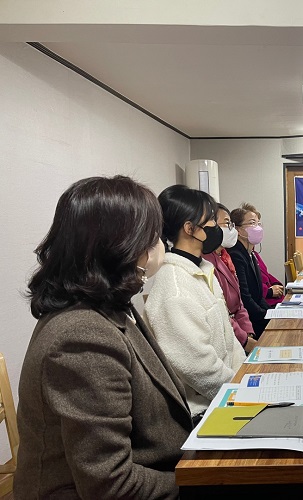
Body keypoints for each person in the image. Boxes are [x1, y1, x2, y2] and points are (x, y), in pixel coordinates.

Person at [16, 176, 192, 499]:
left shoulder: (112, 306)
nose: (160, 245)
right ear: (121, 246)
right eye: (151, 236)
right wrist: (200, 482)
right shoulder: (81, 337)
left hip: (160, 467)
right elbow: (110, 485)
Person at [144, 185, 246, 422]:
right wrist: (239, 390)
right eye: (211, 220)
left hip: (228, 392)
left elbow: (229, 339)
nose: (216, 227)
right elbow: (197, 365)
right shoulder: (175, 288)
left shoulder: (202, 269)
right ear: (189, 228)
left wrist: (246, 377)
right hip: (202, 410)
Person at [203, 203, 258, 354]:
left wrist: (248, 332)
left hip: (241, 331)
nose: (231, 229)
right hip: (228, 338)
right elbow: (222, 312)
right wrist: (245, 340)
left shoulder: (224, 257)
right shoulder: (206, 262)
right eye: (227, 223)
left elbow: (239, 304)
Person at [228, 203, 272, 336]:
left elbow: (259, 296)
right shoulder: (236, 255)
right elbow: (245, 298)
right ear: (238, 230)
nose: (257, 227)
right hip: (250, 322)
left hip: (259, 315)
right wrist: (267, 317)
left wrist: (271, 313)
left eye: (258, 223)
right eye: (252, 223)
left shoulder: (250, 253)